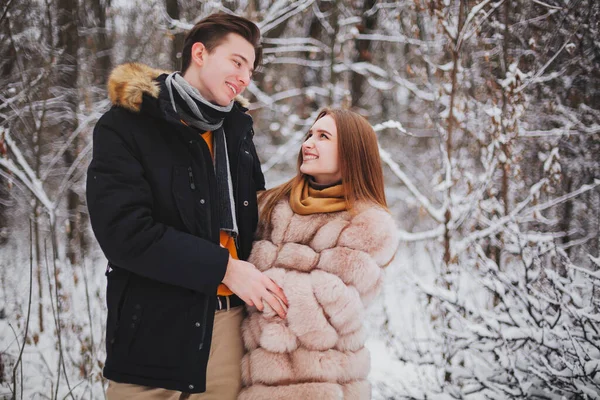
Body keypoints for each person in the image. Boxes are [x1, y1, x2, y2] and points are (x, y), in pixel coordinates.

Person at [86, 13, 288, 399]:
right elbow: (125, 234)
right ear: (199, 53)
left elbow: (256, 218)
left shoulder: (236, 131)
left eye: (251, 68)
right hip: (153, 327)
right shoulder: (127, 125)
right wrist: (225, 268)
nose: (245, 77)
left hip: (230, 324)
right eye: (237, 61)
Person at [238, 108, 399, 400]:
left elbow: (326, 310)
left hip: (323, 385)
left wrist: (256, 282)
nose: (308, 144)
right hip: (255, 383)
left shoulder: (369, 224)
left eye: (323, 136)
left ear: (352, 152)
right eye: (310, 134)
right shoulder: (272, 205)